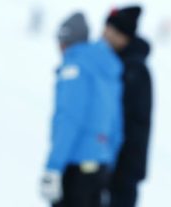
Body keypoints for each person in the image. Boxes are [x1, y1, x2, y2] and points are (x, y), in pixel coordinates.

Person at [40, 12, 124, 207]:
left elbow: (69, 118)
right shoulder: (107, 69)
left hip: (75, 165)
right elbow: (116, 124)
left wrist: (53, 167)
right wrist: (107, 159)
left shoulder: (74, 68)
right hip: (100, 164)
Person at [103, 6, 153, 207]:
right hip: (115, 164)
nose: (104, 36)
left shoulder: (133, 70)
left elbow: (123, 119)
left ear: (123, 37)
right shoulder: (122, 64)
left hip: (124, 165)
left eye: (111, 32)